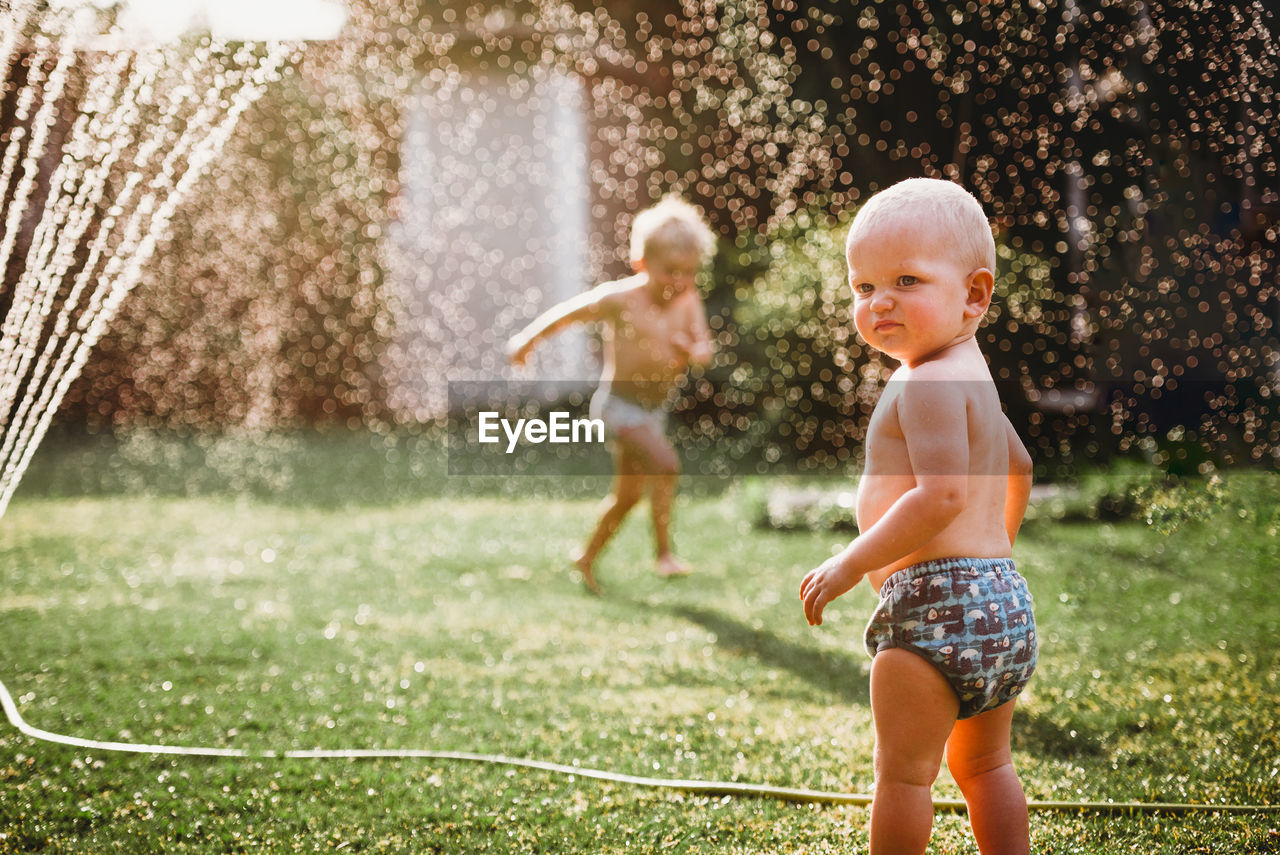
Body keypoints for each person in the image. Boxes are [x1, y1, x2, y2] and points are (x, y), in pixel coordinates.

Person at [799, 178, 1038, 855]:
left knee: (904, 776)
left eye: (905, 279)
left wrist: (852, 561)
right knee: (988, 766)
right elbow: (1017, 466)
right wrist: (998, 554)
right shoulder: (973, 375)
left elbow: (942, 495)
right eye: (862, 286)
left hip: (933, 608)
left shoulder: (928, 381)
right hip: (1001, 601)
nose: (879, 302)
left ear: (974, 293)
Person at [508, 195, 716, 594]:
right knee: (666, 464)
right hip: (617, 407)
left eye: (688, 273)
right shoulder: (621, 299)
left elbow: (704, 350)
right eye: (670, 271)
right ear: (642, 263)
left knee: (627, 498)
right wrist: (526, 341)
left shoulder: (688, 302)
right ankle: (664, 553)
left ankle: (585, 558)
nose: (679, 281)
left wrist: (694, 352)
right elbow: (569, 312)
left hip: (652, 411)